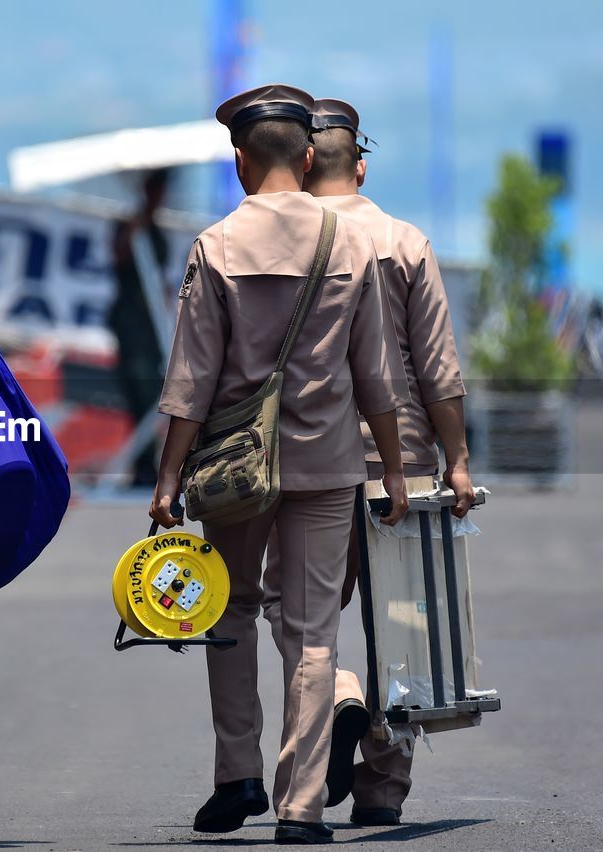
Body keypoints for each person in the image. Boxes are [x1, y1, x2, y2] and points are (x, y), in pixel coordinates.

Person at [150, 84, 410, 846]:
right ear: (306, 157)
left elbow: (190, 381)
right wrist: (391, 471)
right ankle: (301, 808)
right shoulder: (351, 244)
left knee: (227, 610)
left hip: (235, 471)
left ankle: (238, 774)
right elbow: (377, 378)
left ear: (239, 161)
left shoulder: (216, 246)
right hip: (329, 466)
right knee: (313, 630)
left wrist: (167, 478)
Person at [262, 98, 474, 828]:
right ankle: (383, 787)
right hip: (403, 452)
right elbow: (437, 366)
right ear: (359, 162)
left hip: (306, 451)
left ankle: (340, 695)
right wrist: (459, 460)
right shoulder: (402, 239)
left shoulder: (276, 239)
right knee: (403, 615)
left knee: (297, 606)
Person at [109, 168, 173, 486]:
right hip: (131, 324)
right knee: (137, 387)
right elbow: (119, 255)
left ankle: (150, 461)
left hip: (152, 327)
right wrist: (137, 220)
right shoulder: (130, 225)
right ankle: (142, 465)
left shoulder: (158, 231)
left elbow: (161, 279)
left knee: (153, 391)